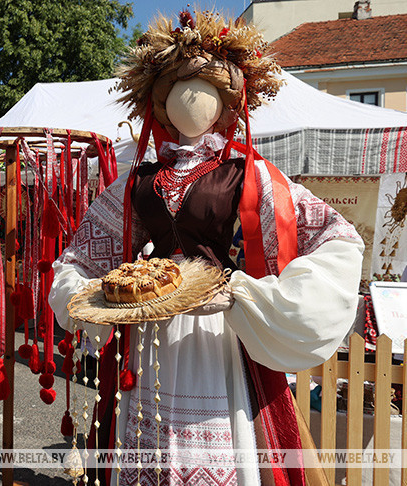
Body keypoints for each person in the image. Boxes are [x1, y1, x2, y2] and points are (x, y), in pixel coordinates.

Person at [48, 10, 363, 485]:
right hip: (149, 329)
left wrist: (246, 295)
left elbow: (336, 234)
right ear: (161, 103)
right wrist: (89, 293)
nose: (190, 102)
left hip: (216, 326)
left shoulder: (245, 172)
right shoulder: (138, 181)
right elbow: (82, 254)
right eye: (178, 92)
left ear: (224, 105)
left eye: (204, 93)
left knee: (218, 435)